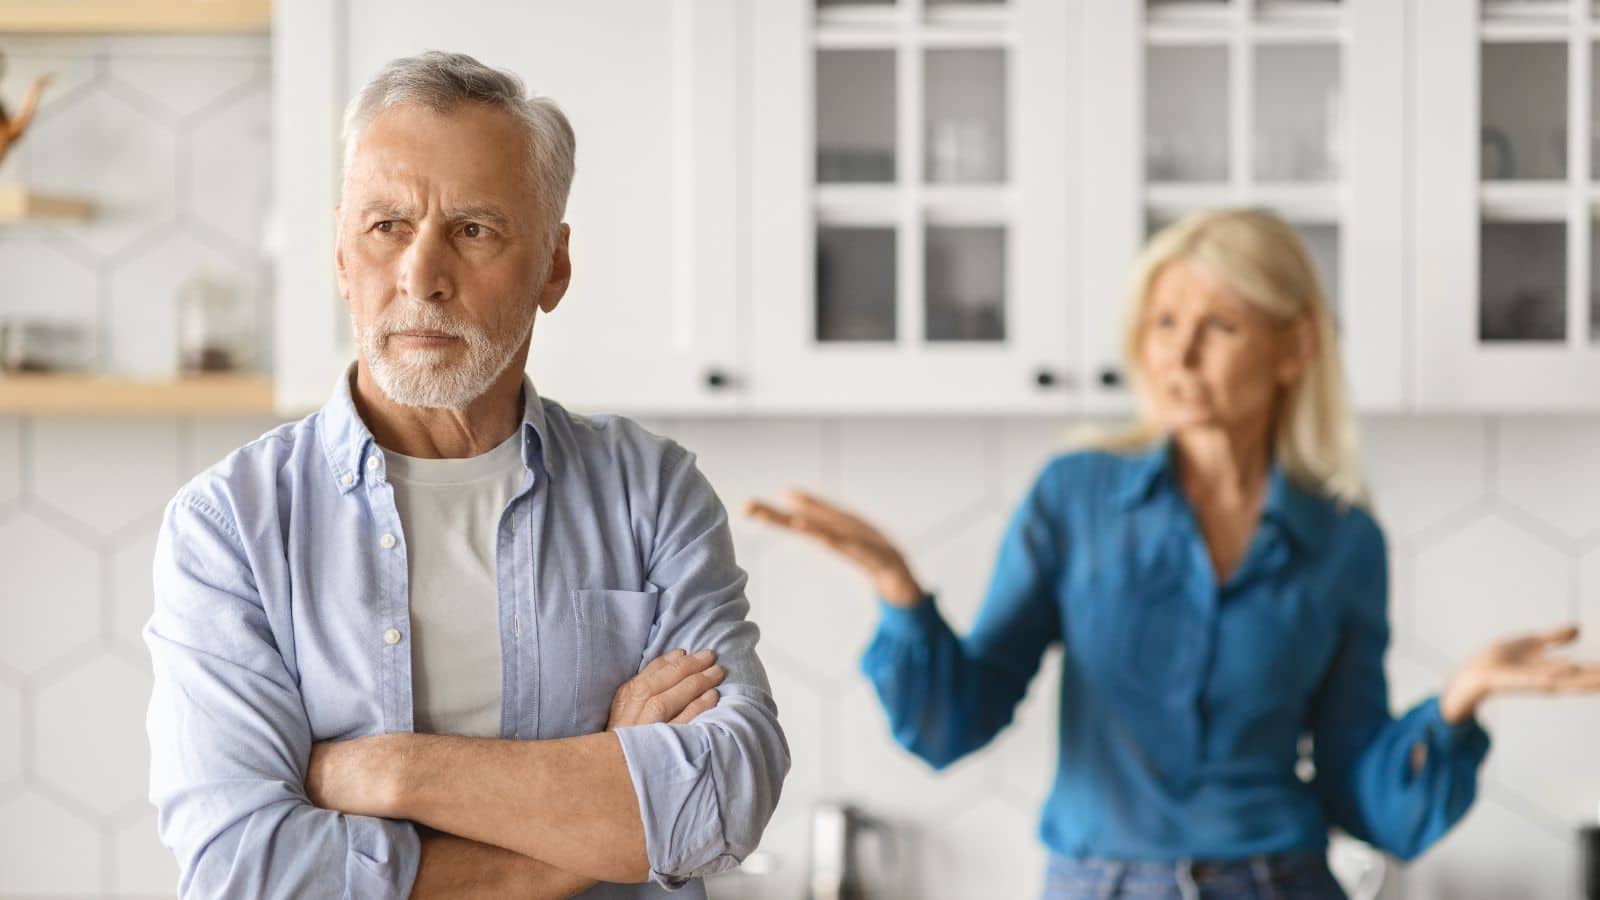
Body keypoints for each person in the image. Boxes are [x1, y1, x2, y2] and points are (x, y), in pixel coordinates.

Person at [747, 207, 1600, 900]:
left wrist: (1458, 702)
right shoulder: (1075, 498)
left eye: (1218, 326)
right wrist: (900, 592)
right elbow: (953, 724)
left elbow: (1362, 796)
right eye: (1163, 322)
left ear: (1295, 348)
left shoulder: (1342, 541)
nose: (1178, 356)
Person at [145, 50, 787, 899]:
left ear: (554, 265)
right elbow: (247, 871)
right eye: (386, 228)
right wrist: (590, 830)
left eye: (474, 230)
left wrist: (390, 773)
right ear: (341, 255)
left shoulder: (652, 494)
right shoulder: (230, 526)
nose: (422, 277)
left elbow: (722, 802)